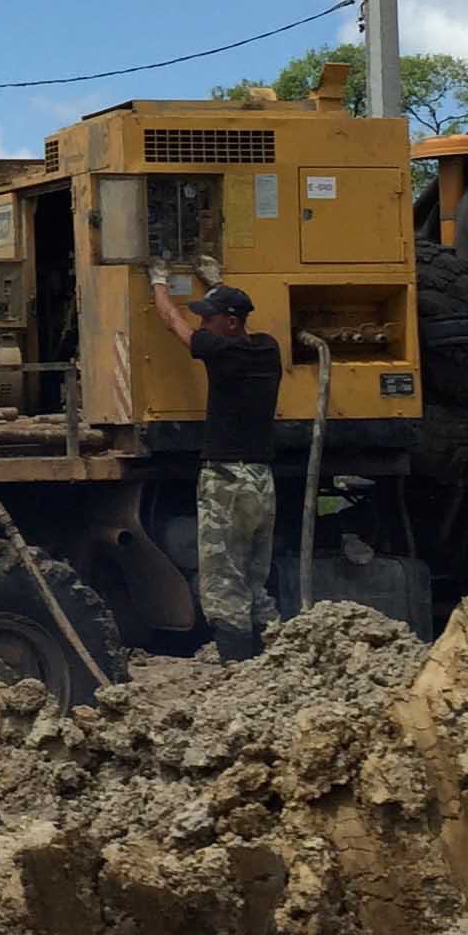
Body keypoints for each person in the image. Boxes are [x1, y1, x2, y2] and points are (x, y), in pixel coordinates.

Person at [151, 267, 283, 663]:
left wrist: (158, 281)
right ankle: (276, 660)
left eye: (209, 317)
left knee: (224, 584)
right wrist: (217, 285)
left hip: (225, 479)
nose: (202, 323)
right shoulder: (268, 349)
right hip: (261, 480)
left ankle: (237, 669)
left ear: (228, 322)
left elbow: (172, 321)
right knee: (254, 579)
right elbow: (222, 321)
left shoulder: (218, 351)